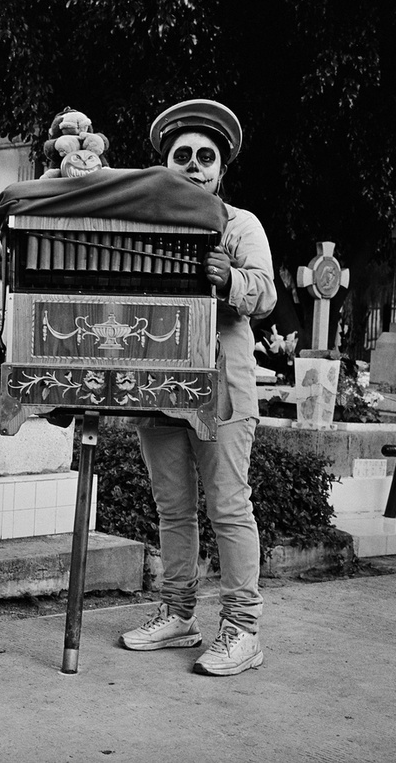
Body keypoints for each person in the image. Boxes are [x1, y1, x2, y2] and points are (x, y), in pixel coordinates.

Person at [119, 99, 276, 677]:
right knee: (173, 506)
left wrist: (230, 277)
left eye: (205, 157)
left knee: (229, 506)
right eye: (181, 155)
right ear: (165, 165)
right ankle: (179, 613)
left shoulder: (240, 225)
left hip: (222, 386)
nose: (193, 165)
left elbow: (267, 292)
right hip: (158, 379)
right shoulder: (144, 225)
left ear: (221, 168)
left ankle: (242, 628)